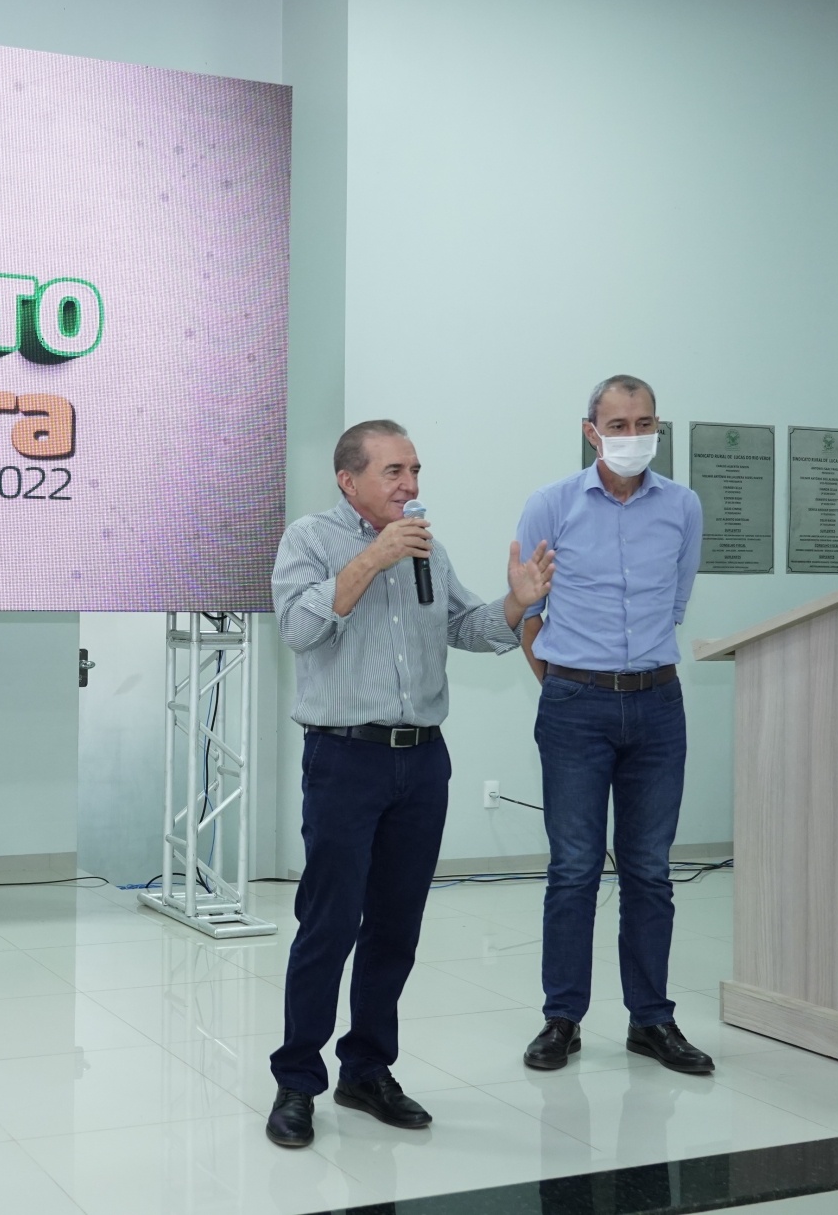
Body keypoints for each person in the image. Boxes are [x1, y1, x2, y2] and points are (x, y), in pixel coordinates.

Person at [265, 419, 555, 1149]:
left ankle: (367, 1070)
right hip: (345, 759)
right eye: (394, 471)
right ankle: (297, 1081)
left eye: (415, 470)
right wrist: (373, 557)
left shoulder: (428, 547)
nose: (410, 484)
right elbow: (298, 628)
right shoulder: (309, 540)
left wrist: (515, 602)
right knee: (329, 924)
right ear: (349, 480)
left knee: (395, 927)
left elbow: (469, 627)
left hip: (421, 762)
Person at [513, 375, 713, 1076]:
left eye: (644, 422)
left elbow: (676, 601)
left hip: (658, 704)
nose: (633, 435)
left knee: (650, 870)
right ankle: (561, 1018)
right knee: (573, 868)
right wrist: (567, 687)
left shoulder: (683, 506)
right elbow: (527, 613)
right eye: (618, 424)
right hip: (576, 704)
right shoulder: (551, 504)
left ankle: (651, 1019)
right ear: (591, 431)